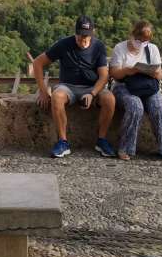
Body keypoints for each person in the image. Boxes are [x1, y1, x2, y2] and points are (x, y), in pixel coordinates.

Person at [33, 16, 116, 159]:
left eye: (86, 38)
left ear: (92, 33)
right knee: (57, 97)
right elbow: (37, 63)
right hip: (68, 86)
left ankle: (101, 140)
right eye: (80, 37)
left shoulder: (98, 46)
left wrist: (92, 93)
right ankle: (62, 142)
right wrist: (43, 91)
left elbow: (103, 76)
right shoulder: (63, 44)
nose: (83, 41)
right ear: (75, 33)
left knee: (109, 99)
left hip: (91, 87)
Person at [108, 21, 162, 162]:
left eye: (145, 41)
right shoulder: (120, 48)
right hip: (125, 86)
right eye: (139, 40)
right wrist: (130, 70)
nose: (141, 44)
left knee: (159, 108)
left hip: (146, 86)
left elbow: (160, 75)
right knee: (135, 107)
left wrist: (152, 71)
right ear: (132, 35)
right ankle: (125, 148)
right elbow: (115, 74)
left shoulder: (152, 49)